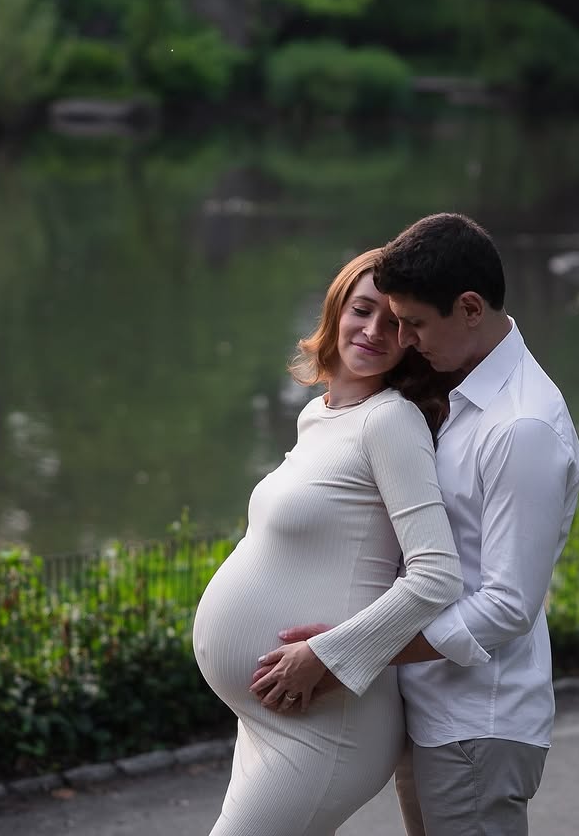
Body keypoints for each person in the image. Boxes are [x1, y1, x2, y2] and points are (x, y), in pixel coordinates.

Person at [262, 213, 579, 835]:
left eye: (413, 322)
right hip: (432, 708)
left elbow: (507, 606)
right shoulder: (463, 393)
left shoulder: (522, 427)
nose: (404, 339)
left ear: (470, 308)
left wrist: (344, 653)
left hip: (476, 719)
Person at [192, 248, 463, 836]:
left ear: (411, 339)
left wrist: (327, 655)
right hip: (271, 716)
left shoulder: (390, 421)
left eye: (395, 321)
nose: (374, 331)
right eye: (362, 310)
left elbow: (437, 575)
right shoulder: (320, 414)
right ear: (336, 310)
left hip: (328, 719)